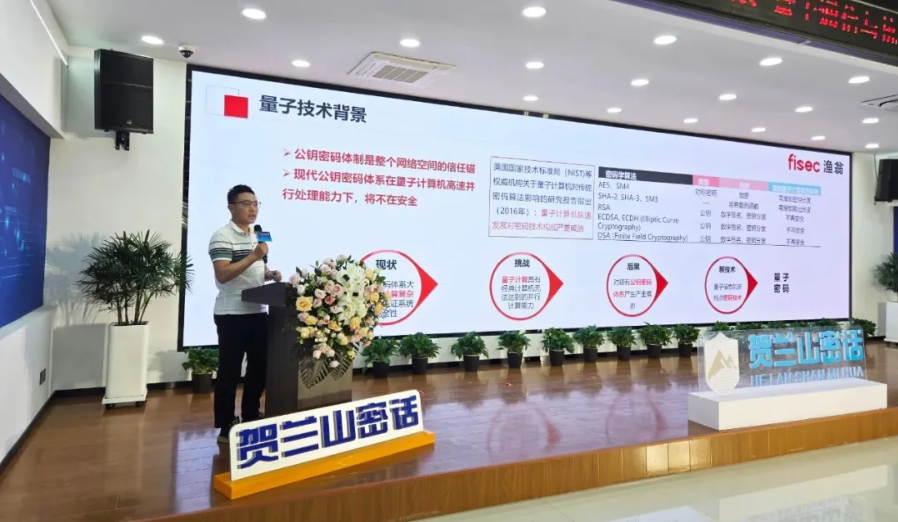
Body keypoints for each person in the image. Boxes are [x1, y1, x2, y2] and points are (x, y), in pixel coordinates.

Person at [207, 184, 281, 443]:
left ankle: (250, 414)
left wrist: (269, 273)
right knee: (229, 370)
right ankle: (226, 424)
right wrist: (254, 256)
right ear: (231, 207)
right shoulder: (221, 236)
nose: (253, 209)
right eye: (246, 203)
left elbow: (256, 267)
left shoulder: (259, 235)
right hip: (232, 313)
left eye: (256, 203)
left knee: (260, 367)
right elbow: (223, 274)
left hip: (257, 311)